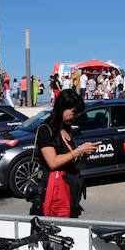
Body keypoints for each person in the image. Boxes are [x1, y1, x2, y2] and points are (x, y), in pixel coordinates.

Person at [34, 89, 96, 218]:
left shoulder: (67, 129)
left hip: (69, 191)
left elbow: (69, 160)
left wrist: (84, 154)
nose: (76, 116)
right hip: (53, 193)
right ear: (62, 108)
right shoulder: (45, 130)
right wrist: (78, 151)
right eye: (74, 112)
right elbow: (53, 163)